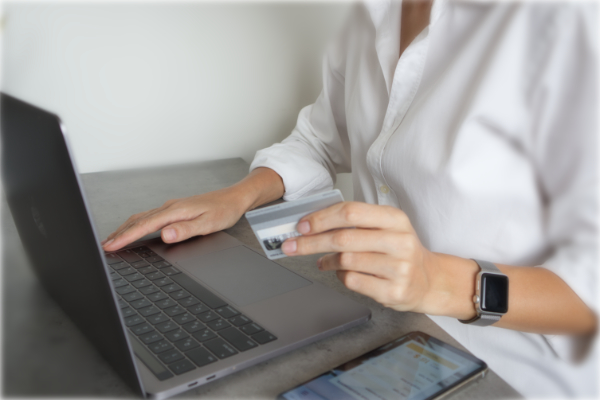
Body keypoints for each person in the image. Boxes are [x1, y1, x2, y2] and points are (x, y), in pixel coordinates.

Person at [102, 0, 598, 397]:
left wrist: (439, 282)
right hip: (383, 329)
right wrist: (238, 196)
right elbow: (321, 138)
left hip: (514, 373)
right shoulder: (371, 16)